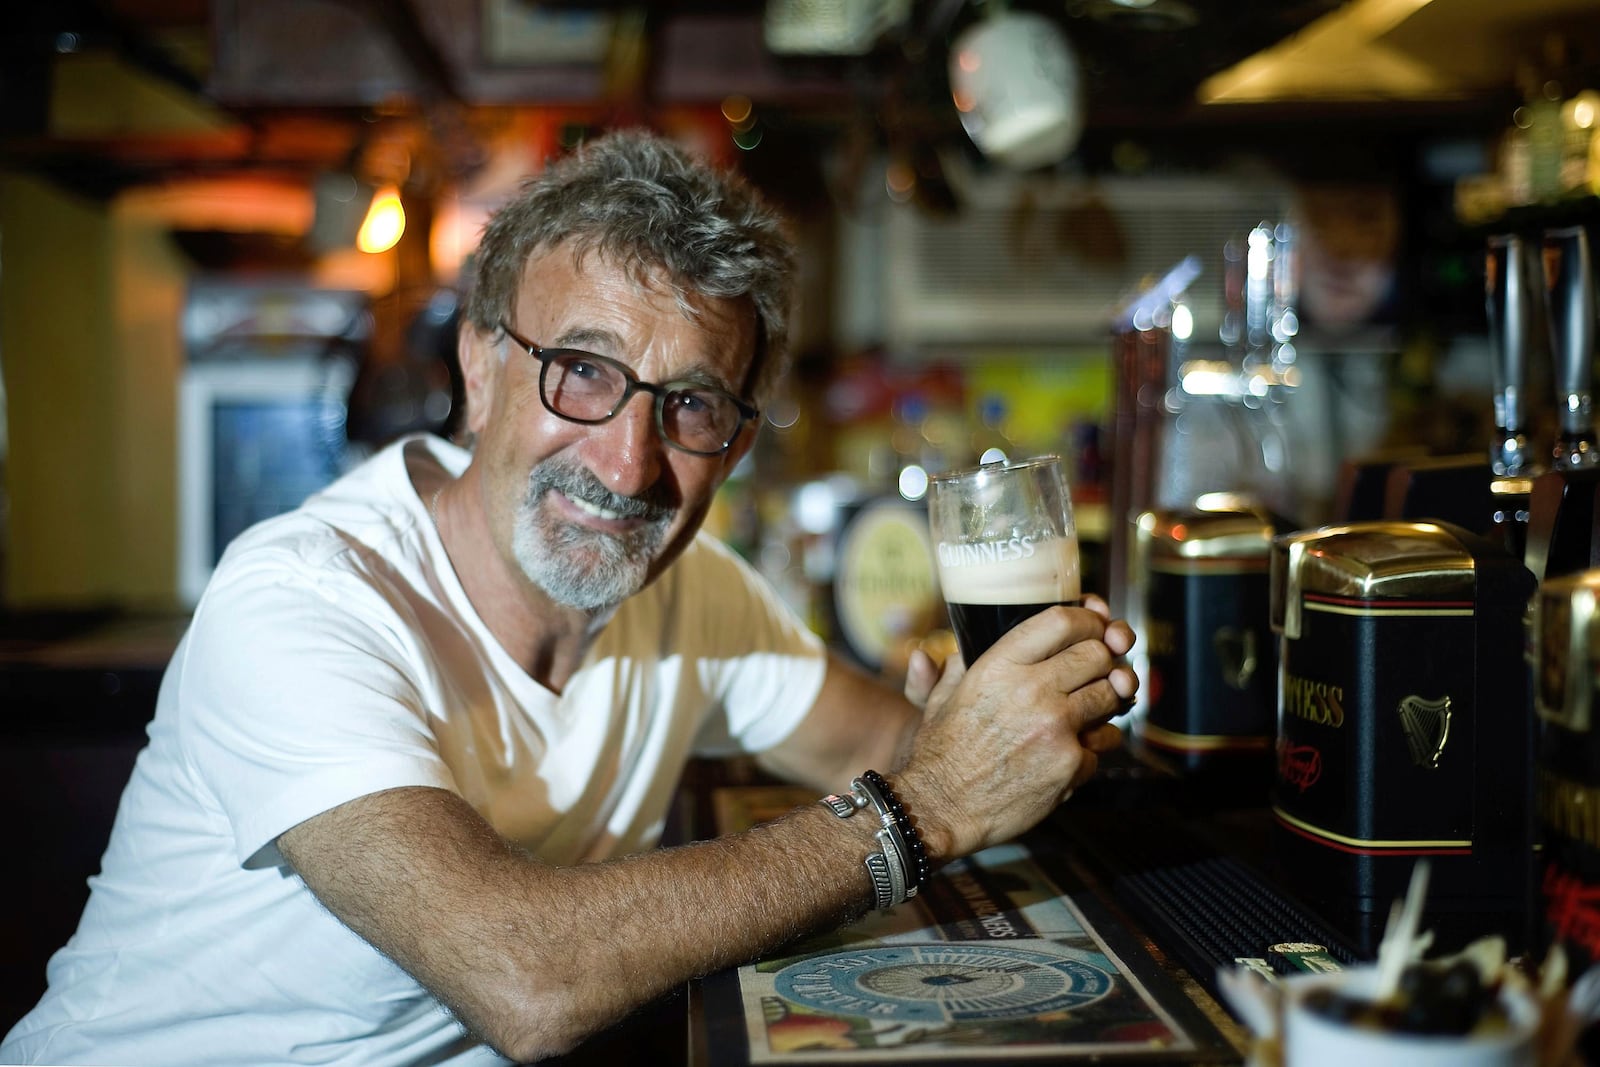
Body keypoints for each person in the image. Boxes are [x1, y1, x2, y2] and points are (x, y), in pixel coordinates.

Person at [1, 129, 1136, 1066]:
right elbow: (521, 973)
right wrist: (921, 808)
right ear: (483, 366)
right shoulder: (304, 601)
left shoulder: (697, 597)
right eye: (582, 371)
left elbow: (903, 744)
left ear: (734, 442)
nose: (628, 462)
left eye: (690, 405)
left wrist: (1024, 728)